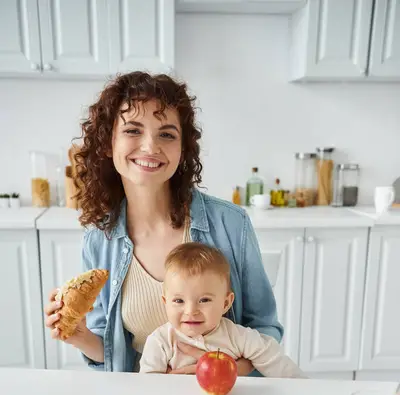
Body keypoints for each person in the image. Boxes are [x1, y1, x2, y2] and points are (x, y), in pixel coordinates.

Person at [44, 71, 283, 374]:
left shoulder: (231, 224)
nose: (150, 147)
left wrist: (220, 371)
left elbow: (265, 329)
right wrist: (80, 336)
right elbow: (115, 355)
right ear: (108, 142)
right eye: (133, 130)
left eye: (167, 134)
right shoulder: (99, 239)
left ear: (182, 150)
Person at [140, 243, 304, 378]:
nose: (191, 311)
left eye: (204, 300)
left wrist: (307, 391)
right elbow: (149, 390)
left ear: (226, 303)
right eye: (178, 301)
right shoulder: (160, 341)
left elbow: (276, 362)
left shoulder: (238, 337)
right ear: (165, 302)